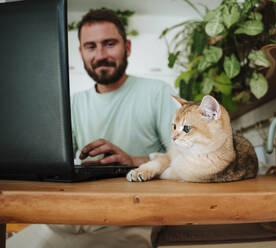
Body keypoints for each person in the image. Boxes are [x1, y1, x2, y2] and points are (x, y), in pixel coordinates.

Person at [7, 9, 177, 248]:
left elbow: (186, 160)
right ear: (80, 53)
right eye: (91, 46)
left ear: (127, 47)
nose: (100, 55)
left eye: (109, 44)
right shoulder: (73, 102)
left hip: (132, 218)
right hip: (67, 217)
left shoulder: (157, 92)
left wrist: (131, 161)